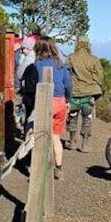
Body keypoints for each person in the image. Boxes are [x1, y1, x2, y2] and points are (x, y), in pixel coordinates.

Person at [34, 36, 72, 180]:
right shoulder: (60, 64)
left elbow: (34, 84)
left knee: (42, 136)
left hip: (45, 101)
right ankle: (59, 168)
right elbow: (68, 84)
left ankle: (41, 169)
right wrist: (68, 99)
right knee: (56, 137)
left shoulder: (38, 64)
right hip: (61, 102)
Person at [65, 36, 103, 153]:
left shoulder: (71, 57)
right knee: (87, 119)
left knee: (72, 118)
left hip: (74, 94)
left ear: (77, 44)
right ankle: (85, 144)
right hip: (89, 95)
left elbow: (66, 73)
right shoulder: (94, 60)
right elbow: (100, 77)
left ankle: (71, 141)